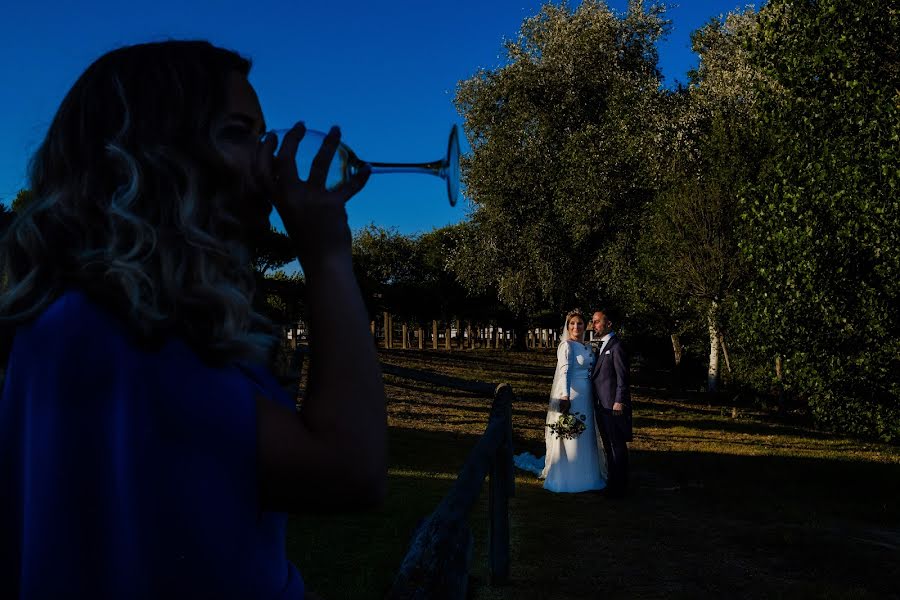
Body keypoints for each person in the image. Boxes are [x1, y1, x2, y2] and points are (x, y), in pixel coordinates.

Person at [0, 41, 386, 598]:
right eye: (237, 133)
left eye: (262, 135)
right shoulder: (135, 331)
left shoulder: (74, 315)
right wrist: (327, 259)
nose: (270, 161)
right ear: (152, 150)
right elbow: (351, 469)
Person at [514, 310, 607, 493]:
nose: (576, 327)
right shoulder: (566, 346)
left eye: (579, 323)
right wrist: (564, 397)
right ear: (567, 326)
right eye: (572, 324)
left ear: (585, 325)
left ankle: (589, 475)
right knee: (571, 436)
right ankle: (568, 477)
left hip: (587, 397)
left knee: (586, 436)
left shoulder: (587, 347)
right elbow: (564, 372)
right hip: (572, 396)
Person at [589, 310, 632, 498]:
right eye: (593, 322)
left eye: (597, 322)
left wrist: (619, 401)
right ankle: (612, 482)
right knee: (608, 445)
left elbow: (623, 377)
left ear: (609, 324)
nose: (594, 325)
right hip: (601, 405)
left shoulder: (616, 346)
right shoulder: (601, 346)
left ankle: (620, 485)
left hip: (612, 405)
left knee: (617, 445)